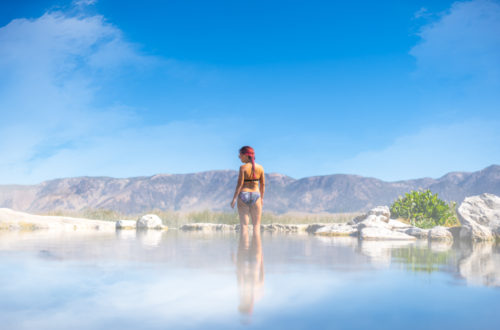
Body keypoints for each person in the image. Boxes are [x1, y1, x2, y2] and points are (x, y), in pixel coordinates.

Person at [231, 146, 265, 232]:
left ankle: (243, 245)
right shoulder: (260, 168)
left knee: (244, 226)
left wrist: (234, 199)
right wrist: (261, 198)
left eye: (240, 155)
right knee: (257, 226)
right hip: (256, 195)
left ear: (246, 155)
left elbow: (239, 184)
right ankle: (257, 245)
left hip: (243, 195)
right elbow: (263, 184)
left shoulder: (243, 168)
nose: (239, 158)